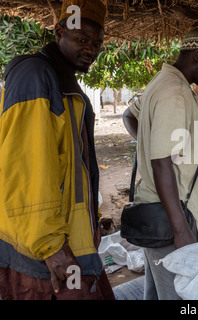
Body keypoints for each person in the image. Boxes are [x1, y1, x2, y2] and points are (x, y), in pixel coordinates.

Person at [0, 0, 115, 300]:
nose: (91, 49)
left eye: (97, 43)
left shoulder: (67, 86)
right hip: (43, 254)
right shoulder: (35, 76)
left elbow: (76, 168)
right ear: (59, 32)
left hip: (69, 242)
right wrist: (50, 247)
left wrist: (93, 217)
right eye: (82, 39)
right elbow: (27, 171)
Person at [122, 27, 198, 300]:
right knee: (176, 297)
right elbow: (161, 163)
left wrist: (147, 143)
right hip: (173, 218)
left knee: (155, 294)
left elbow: (130, 116)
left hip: (161, 214)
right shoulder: (175, 93)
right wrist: (181, 229)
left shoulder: (164, 82)